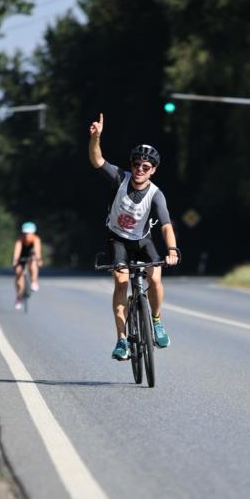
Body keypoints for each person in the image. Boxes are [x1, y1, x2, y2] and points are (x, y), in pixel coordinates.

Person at [88, 112, 179, 360]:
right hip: (117, 238)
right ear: (132, 165)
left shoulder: (156, 194)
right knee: (121, 281)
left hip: (142, 240)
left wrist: (172, 250)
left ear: (153, 171)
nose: (140, 169)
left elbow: (166, 225)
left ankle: (157, 321)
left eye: (146, 167)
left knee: (156, 277)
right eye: (136, 164)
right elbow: (97, 161)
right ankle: (121, 341)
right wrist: (96, 138)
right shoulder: (120, 178)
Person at [13, 221, 42, 309]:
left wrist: (39, 260)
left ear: (33, 233)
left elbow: (37, 252)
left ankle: (34, 281)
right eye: (25, 233)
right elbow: (17, 252)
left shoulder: (36, 239)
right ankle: (18, 297)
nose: (27, 235)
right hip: (21, 256)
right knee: (18, 275)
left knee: (33, 262)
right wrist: (15, 261)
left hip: (31, 256)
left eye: (29, 233)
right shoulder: (20, 240)